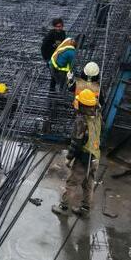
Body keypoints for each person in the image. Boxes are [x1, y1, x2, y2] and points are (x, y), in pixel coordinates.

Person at [51, 89, 101, 218]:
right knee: (88, 184)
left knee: (72, 183)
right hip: (95, 156)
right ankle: (85, 209)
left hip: (84, 157)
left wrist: (69, 158)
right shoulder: (97, 115)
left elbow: (76, 143)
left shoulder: (81, 121)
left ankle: (63, 207)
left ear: (83, 105)